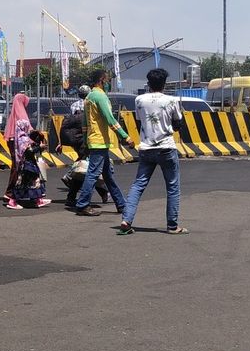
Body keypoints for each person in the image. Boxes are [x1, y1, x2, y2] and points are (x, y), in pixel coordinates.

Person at [117, 68, 187, 235]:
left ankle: (126, 220)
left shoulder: (139, 100)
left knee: (138, 184)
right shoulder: (171, 100)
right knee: (172, 187)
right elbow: (178, 124)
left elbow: (140, 121)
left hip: (146, 147)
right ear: (164, 84)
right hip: (166, 148)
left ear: (148, 84)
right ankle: (172, 226)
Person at [68, 68, 129, 217]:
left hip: (93, 140)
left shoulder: (89, 97)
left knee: (107, 176)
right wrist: (124, 136)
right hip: (99, 141)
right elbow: (110, 118)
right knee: (93, 174)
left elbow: (84, 122)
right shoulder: (100, 97)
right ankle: (83, 204)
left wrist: (85, 140)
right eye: (107, 80)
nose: (108, 83)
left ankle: (121, 204)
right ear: (102, 80)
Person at [8, 128, 52, 209]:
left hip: (27, 164)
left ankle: (37, 200)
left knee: (32, 182)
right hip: (28, 165)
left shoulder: (21, 138)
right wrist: (39, 147)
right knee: (24, 183)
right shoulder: (24, 139)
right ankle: (13, 201)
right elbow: (29, 151)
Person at [1, 92, 31, 203]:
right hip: (18, 143)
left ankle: (17, 192)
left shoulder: (13, 114)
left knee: (17, 167)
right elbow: (27, 129)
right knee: (17, 167)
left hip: (13, 142)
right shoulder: (21, 114)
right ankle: (10, 193)